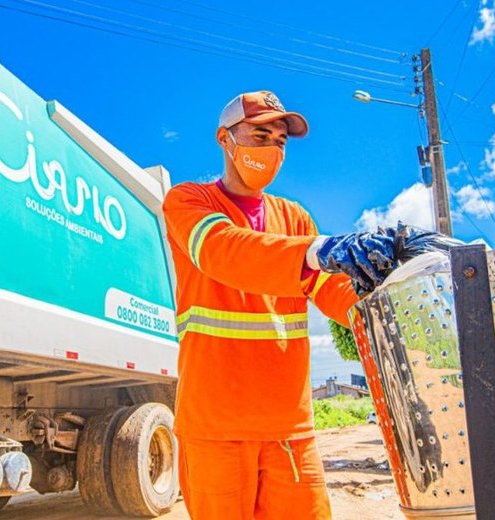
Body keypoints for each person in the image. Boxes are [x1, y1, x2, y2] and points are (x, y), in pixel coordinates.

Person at [162, 90, 457, 519]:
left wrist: (386, 296)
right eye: (259, 135)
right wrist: (322, 251)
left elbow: (331, 290)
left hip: (289, 428)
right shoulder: (190, 202)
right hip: (216, 426)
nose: (271, 149)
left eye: (280, 141)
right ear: (225, 139)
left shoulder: (295, 218)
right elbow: (222, 250)